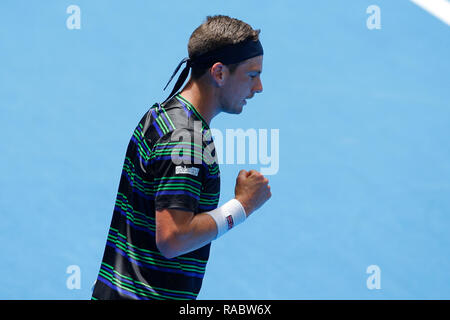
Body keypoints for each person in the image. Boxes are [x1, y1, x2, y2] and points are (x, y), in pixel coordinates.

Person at [91, 14, 271, 300]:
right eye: (252, 75)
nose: (258, 87)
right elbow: (173, 238)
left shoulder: (161, 115)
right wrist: (243, 205)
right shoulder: (187, 139)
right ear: (219, 73)